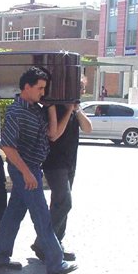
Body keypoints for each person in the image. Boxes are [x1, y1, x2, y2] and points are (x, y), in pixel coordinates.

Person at [0, 67, 78, 274]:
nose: (42, 93)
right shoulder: (15, 111)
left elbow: (53, 135)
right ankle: (56, 262)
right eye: (40, 88)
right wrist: (27, 173)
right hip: (24, 170)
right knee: (42, 216)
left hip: (31, 168)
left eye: (44, 88)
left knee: (13, 216)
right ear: (26, 87)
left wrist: (53, 108)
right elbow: (7, 146)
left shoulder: (35, 109)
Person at [31, 103, 92, 262]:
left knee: (59, 205)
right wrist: (69, 110)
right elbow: (54, 135)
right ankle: (43, 242)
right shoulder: (53, 108)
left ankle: (55, 244)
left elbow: (88, 128)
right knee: (65, 203)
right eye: (78, 89)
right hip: (55, 164)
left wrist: (76, 109)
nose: (80, 93)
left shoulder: (74, 110)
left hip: (70, 163)